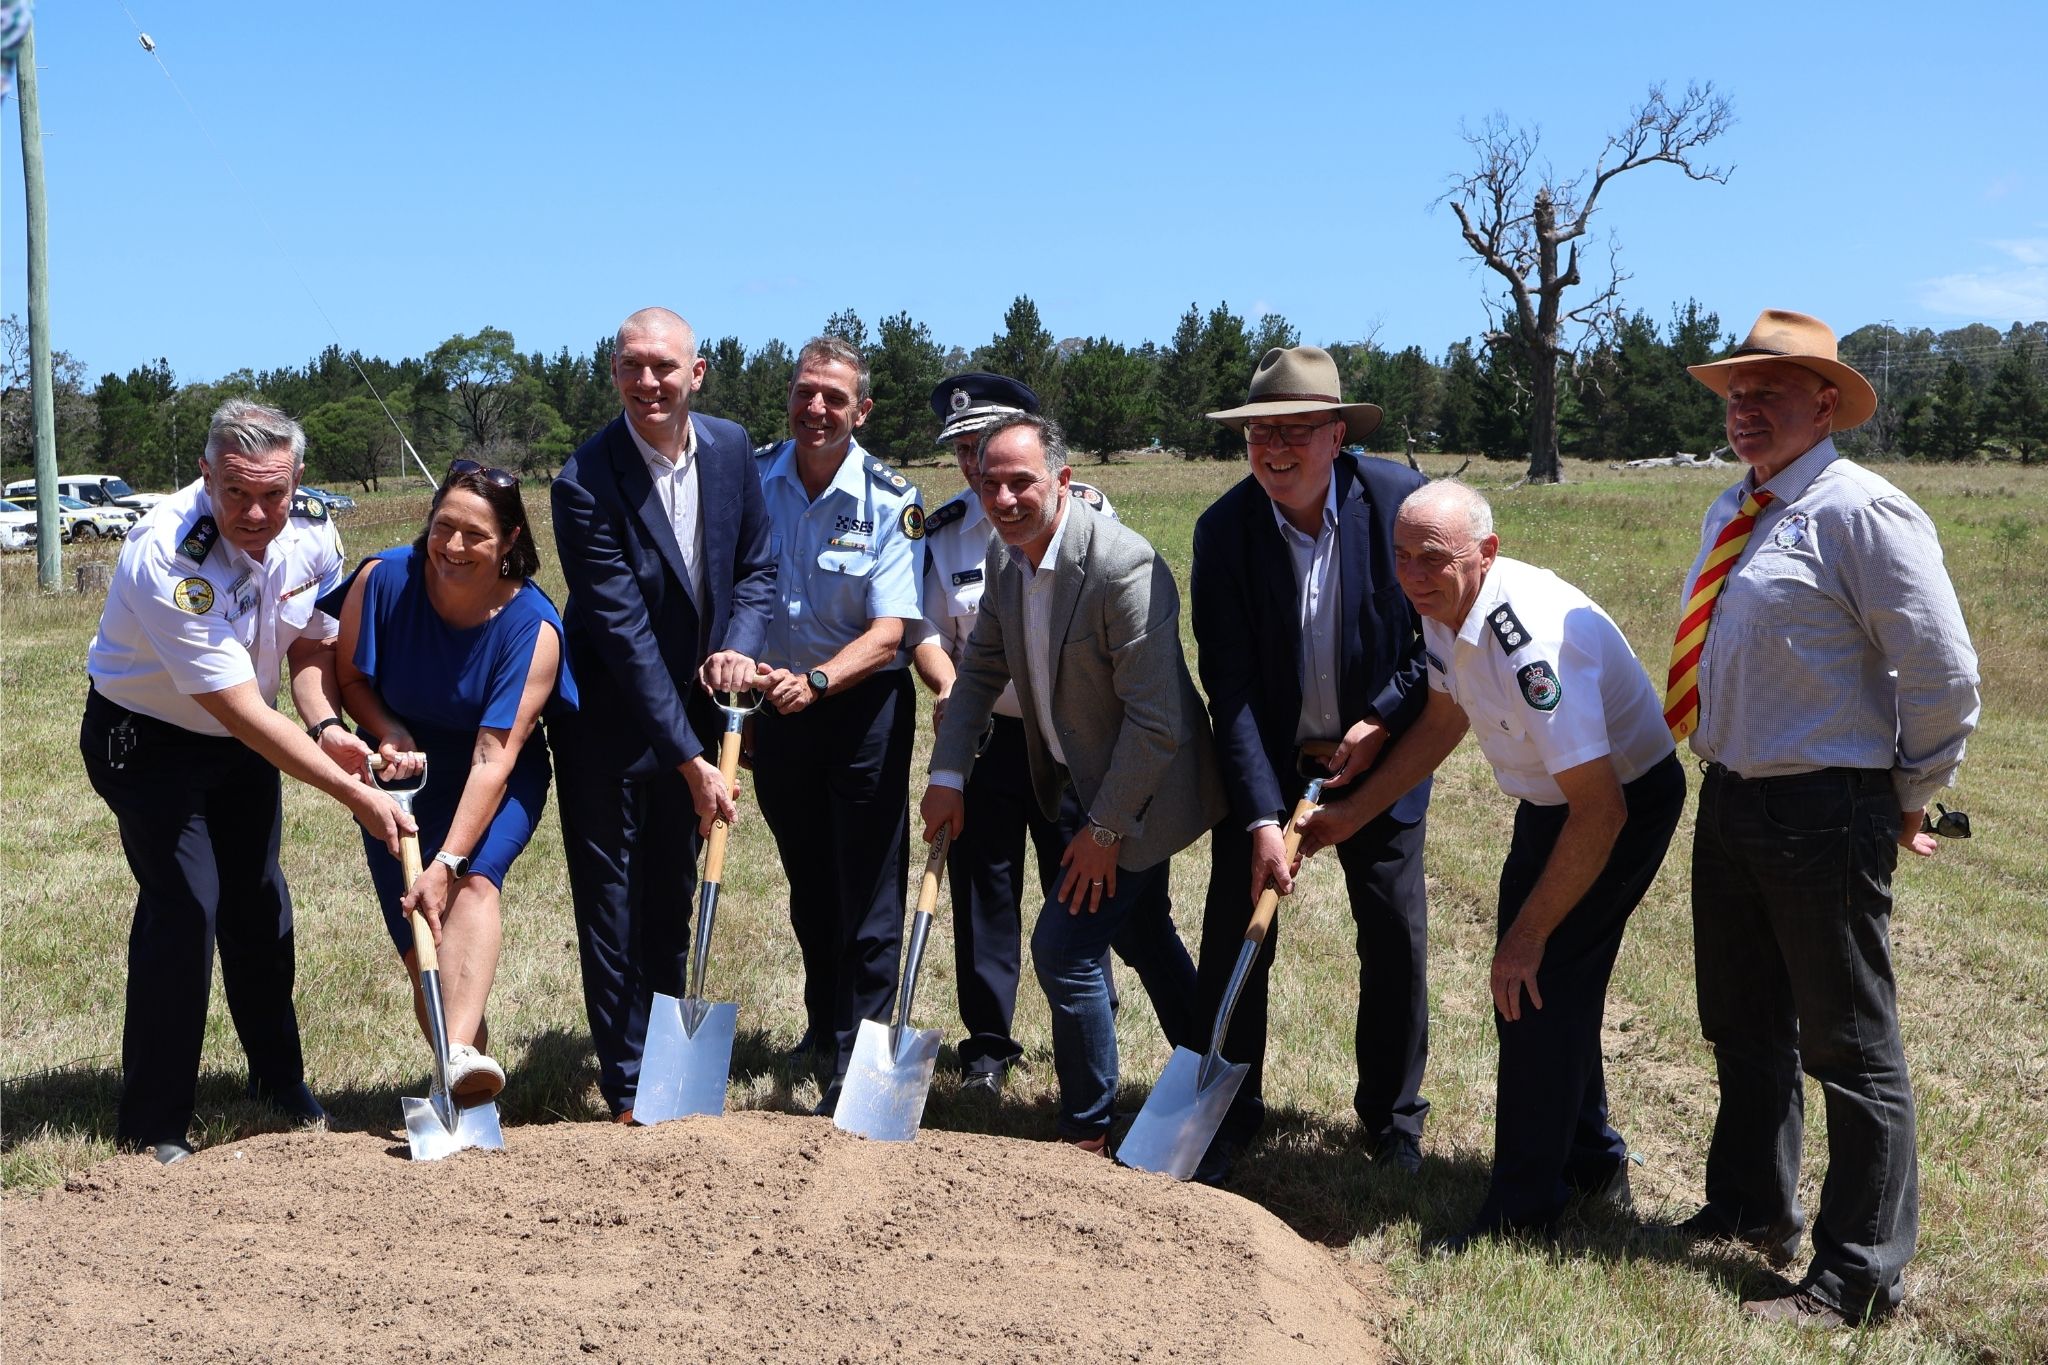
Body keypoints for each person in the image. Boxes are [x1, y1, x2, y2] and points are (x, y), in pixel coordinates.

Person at [1666, 310, 1980, 1328]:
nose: (1743, 410)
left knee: (1847, 1046)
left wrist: (1905, 790)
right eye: (1734, 395)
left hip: (1823, 804)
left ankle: (1856, 1274)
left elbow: (1940, 671)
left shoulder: (1860, 512)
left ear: (1825, 403)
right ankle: (1750, 1208)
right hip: (1734, 794)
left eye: (1767, 393)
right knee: (1740, 1022)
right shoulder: (1736, 506)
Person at [1299, 480, 1684, 1250]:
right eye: (1400, 556)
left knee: (1532, 985)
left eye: (1432, 558)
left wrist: (1528, 933)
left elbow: (1602, 809)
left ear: (1487, 553)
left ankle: (1521, 1209)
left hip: (1616, 810)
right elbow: (1443, 719)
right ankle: (1590, 1161)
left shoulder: (1525, 638)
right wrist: (1350, 814)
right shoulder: (1446, 611)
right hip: (1559, 806)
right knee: (1542, 991)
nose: (1411, 573)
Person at [80, 398, 409, 1164]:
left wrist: (327, 727)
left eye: (273, 493)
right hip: (146, 736)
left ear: (297, 479)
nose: (256, 512)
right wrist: (352, 790)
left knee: (258, 900)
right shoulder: (168, 552)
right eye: (236, 493)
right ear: (206, 475)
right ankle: (153, 1121)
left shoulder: (315, 534)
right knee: (187, 903)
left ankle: (278, 1079)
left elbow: (307, 647)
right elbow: (230, 704)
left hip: (245, 733)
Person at [919, 413, 1226, 1153]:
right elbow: (979, 674)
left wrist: (1105, 833)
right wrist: (948, 769)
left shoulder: (1124, 566)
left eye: (1021, 481)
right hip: (1080, 783)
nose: (1003, 497)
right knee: (1145, 936)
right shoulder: (1005, 557)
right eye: (989, 482)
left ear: (1062, 479)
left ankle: (1088, 1127)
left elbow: (1157, 726)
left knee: (1062, 948)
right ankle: (1217, 1079)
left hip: (1144, 794)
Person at [1189, 345, 1434, 1182]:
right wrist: (1261, 817)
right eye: (1260, 433)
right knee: (1237, 928)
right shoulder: (1222, 532)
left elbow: (1430, 643)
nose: (1276, 449)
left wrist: (1380, 720)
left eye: (1297, 430)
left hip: (1381, 754)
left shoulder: (1400, 504)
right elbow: (1233, 691)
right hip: (1270, 755)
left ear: (1338, 435)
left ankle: (1393, 1119)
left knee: (1393, 931)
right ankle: (1227, 1104)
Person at [550, 307, 776, 1122]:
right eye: (631, 365)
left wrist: (736, 650)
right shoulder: (583, 480)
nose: (648, 382)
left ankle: (666, 1060)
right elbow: (625, 636)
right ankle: (625, 1081)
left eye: (664, 367)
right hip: (608, 721)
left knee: (672, 889)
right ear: (613, 372)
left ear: (697, 372)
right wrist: (694, 763)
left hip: (698, 713)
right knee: (610, 901)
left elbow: (756, 566)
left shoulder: (729, 447)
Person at [324, 460, 577, 1103]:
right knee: (424, 944)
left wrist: (448, 860)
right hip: (402, 779)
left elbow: (495, 756)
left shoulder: (533, 628)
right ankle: (468, 1080)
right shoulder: (383, 580)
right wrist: (386, 730)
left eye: (476, 536)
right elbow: (351, 678)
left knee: (469, 890)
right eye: (444, 529)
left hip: (496, 778)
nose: (454, 548)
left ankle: (454, 1065)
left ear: (511, 540)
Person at [911, 372, 1118, 1098]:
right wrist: (948, 688)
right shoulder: (942, 533)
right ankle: (988, 1047)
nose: (975, 463)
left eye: (984, 443)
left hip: (1067, 742)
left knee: (1082, 890)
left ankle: (1089, 1034)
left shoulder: (1077, 509)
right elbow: (929, 631)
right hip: (991, 738)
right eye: (962, 450)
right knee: (984, 893)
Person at [751, 336, 926, 1115]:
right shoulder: (753, 479)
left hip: (861, 708)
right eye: (804, 391)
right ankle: (821, 1026)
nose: (816, 408)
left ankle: (862, 1054)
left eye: (833, 396)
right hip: (778, 708)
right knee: (809, 884)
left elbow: (893, 630)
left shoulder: (892, 499)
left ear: (862, 409)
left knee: (868, 894)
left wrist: (819, 681)